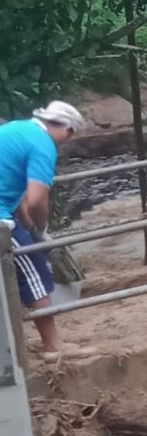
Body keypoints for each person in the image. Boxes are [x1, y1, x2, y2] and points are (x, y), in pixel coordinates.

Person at [0, 101, 84, 354]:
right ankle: (53, 345)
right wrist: (41, 228)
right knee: (34, 273)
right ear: (68, 130)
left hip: (6, 208)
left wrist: (28, 227)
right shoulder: (43, 145)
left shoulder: (15, 129)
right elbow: (37, 199)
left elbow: (13, 190)